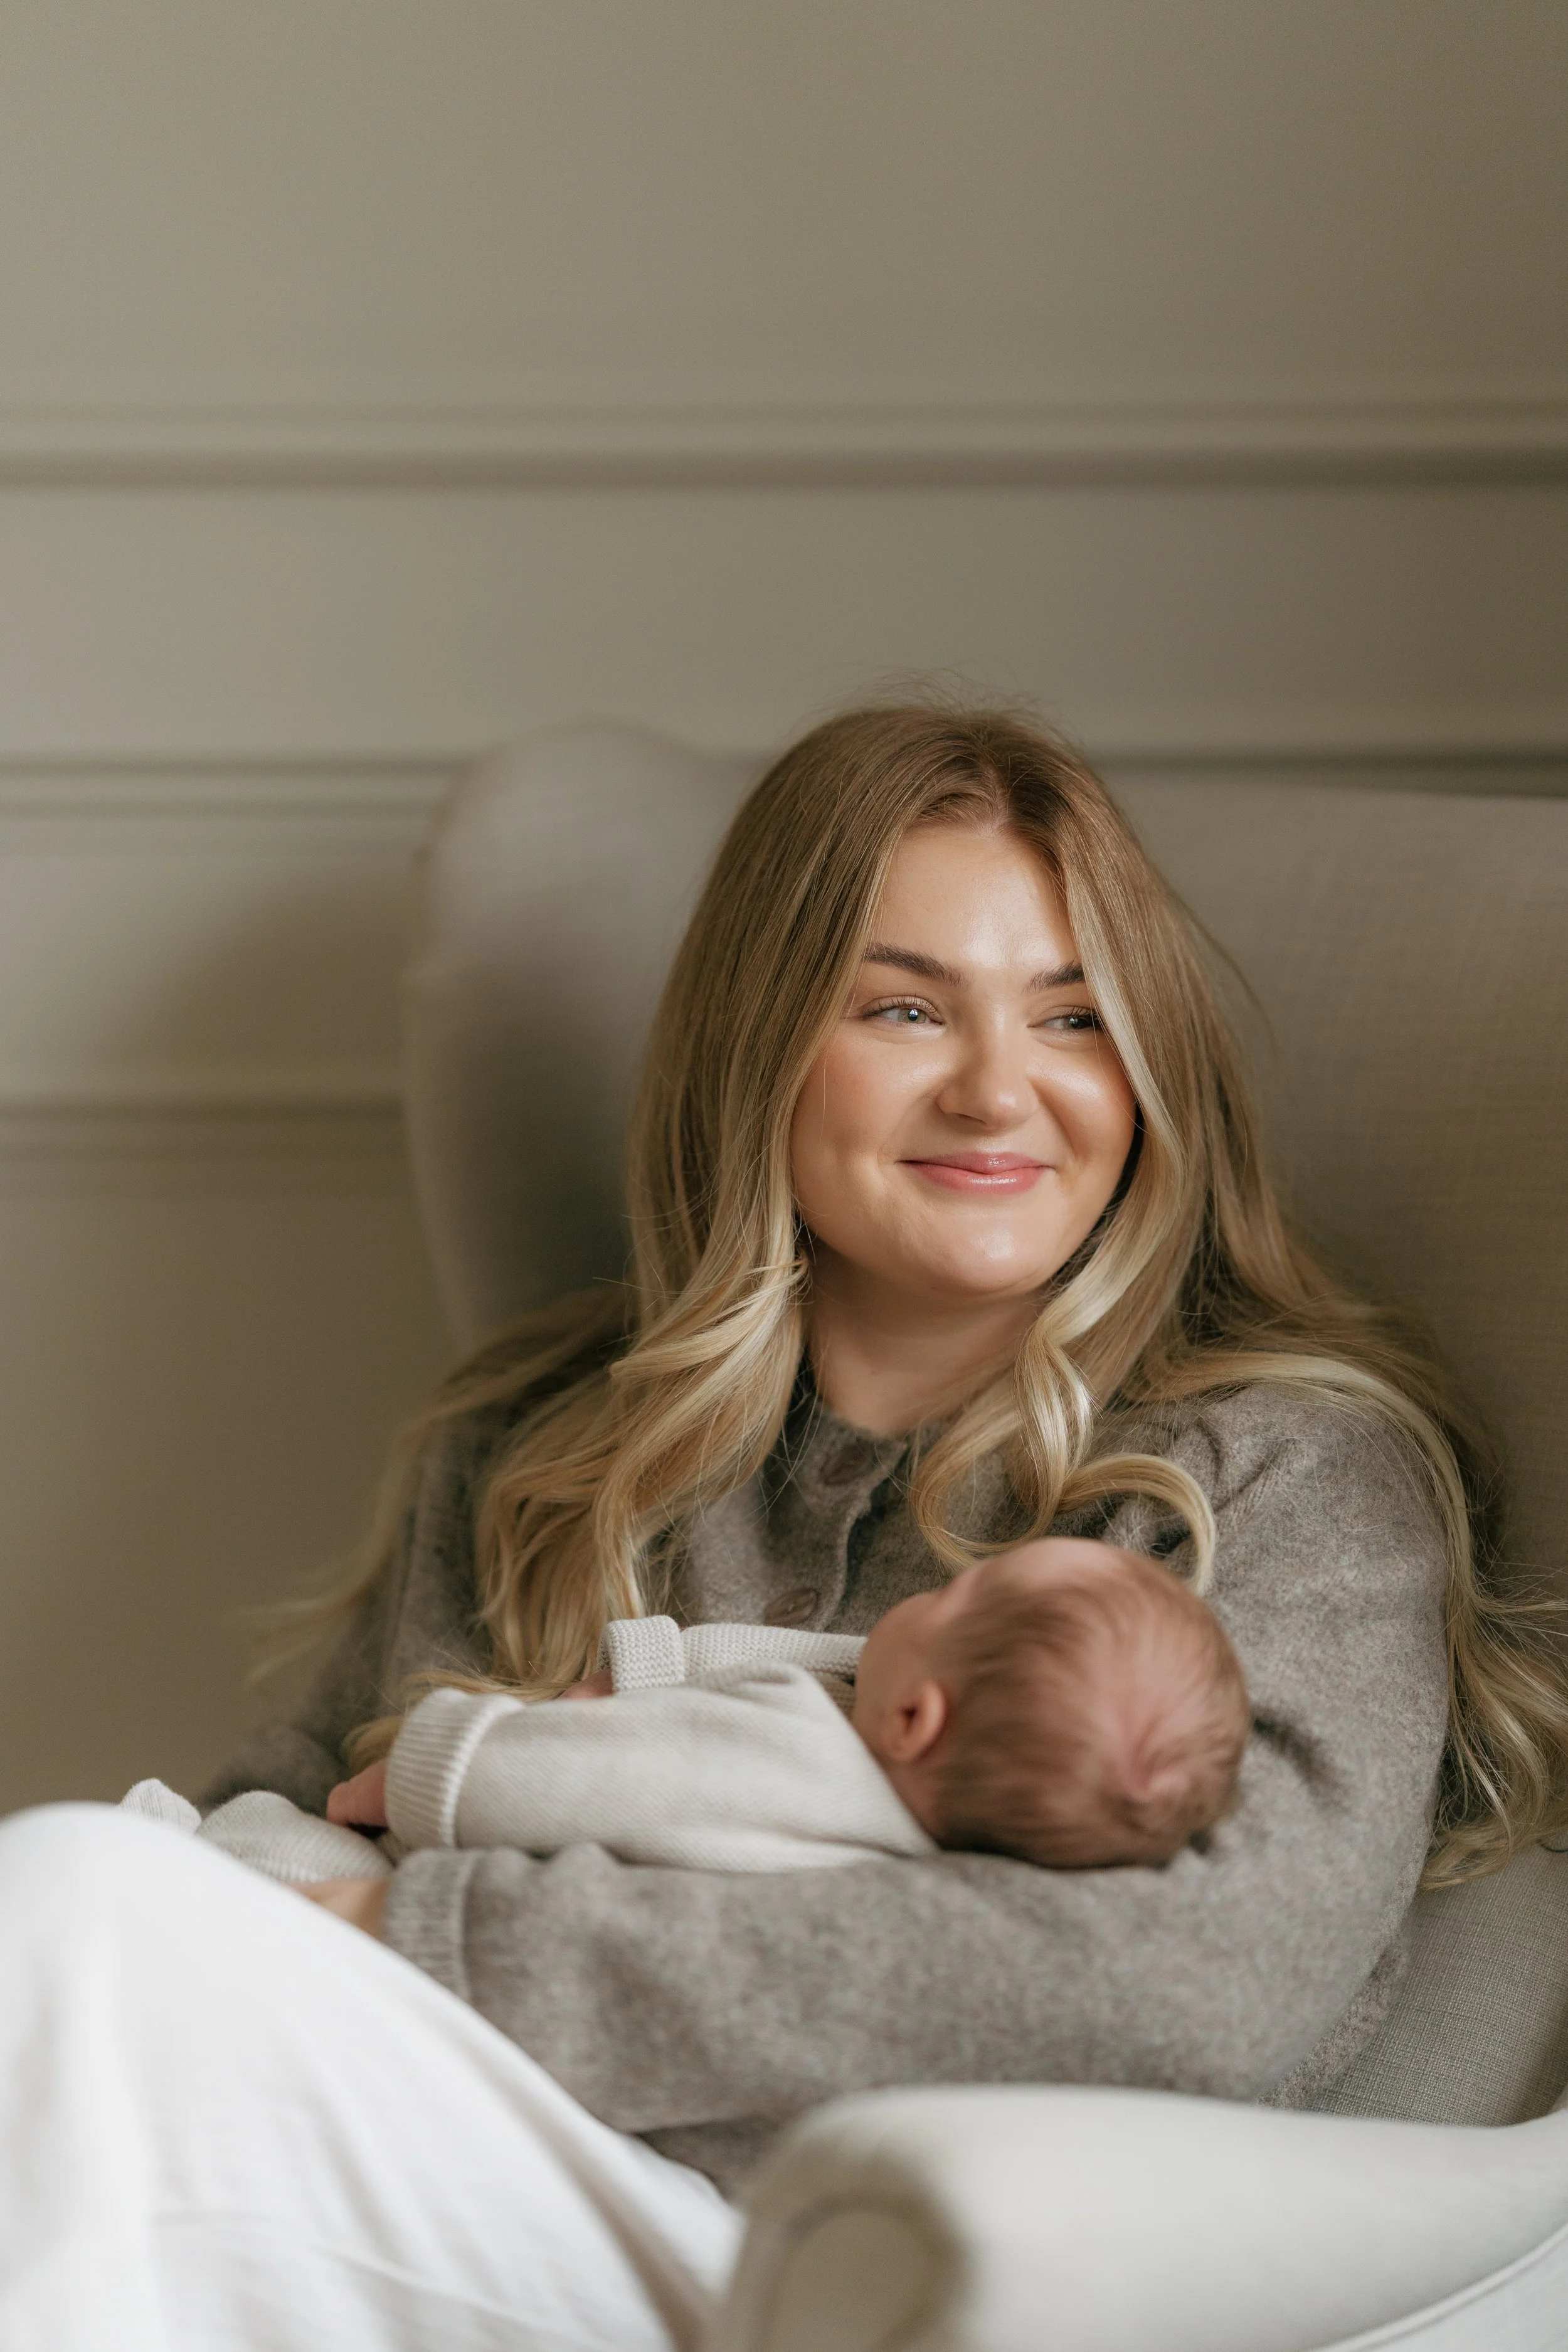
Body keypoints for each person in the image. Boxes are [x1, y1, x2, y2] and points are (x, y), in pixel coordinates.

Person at [2, 702, 1565, 2352]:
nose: (995, 1089)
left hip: (900, 2271)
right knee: (85, 1917)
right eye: (903, 1005)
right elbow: (288, 1808)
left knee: (65, 1902)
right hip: (470, 2170)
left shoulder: (1286, 1472)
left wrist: (428, 1932)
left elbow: (1196, 1990)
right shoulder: (543, 1437)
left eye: (1074, 1016)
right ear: (762, 1043)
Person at [153, 1534, 1247, 1877]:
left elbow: (564, 1772)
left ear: (915, 1720)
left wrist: (416, 1773)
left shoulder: (794, 1761)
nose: (923, 1592)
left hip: (416, 1904)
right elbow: (798, 1660)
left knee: (248, 1849)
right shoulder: (899, 1830)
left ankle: (174, 1853)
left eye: (954, 1594)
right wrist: (647, 1670)